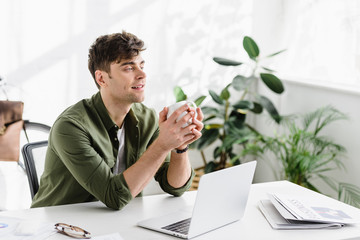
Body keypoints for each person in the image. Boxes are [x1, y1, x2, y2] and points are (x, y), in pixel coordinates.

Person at [31, 31, 204, 210]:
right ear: (101, 78)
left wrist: (179, 146)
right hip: (57, 227)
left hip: (115, 222)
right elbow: (114, 196)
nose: (142, 75)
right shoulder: (70, 126)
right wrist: (162, 145)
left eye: (142, 66)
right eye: (129, 68)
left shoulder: (147, 118)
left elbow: (175, 187)